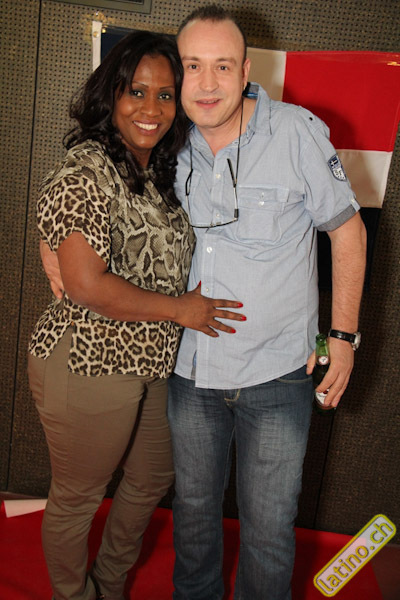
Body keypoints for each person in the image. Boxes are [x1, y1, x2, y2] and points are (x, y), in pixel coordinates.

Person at [28, 29, 245, 600]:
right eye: (137, 91)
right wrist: (182, 311)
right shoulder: (86, 170)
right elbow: (85, 285)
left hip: (151, 363)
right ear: (111, 94)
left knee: (151, 479)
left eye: (166, 95)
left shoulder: (156, 172)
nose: (151, 108)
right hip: (87, 360)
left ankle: (109, 584)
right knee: (78, 496)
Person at [166, 5, 367, 600]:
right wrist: (52, 241)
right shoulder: (166, 138)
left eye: (222, 66)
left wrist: (342, 338)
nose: (207, 83)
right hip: (191, 373)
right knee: (193, 520)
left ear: (246, 70)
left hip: (277, 374)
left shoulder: (296, 132)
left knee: (270, 532)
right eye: (193, 66)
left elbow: (348, 232)